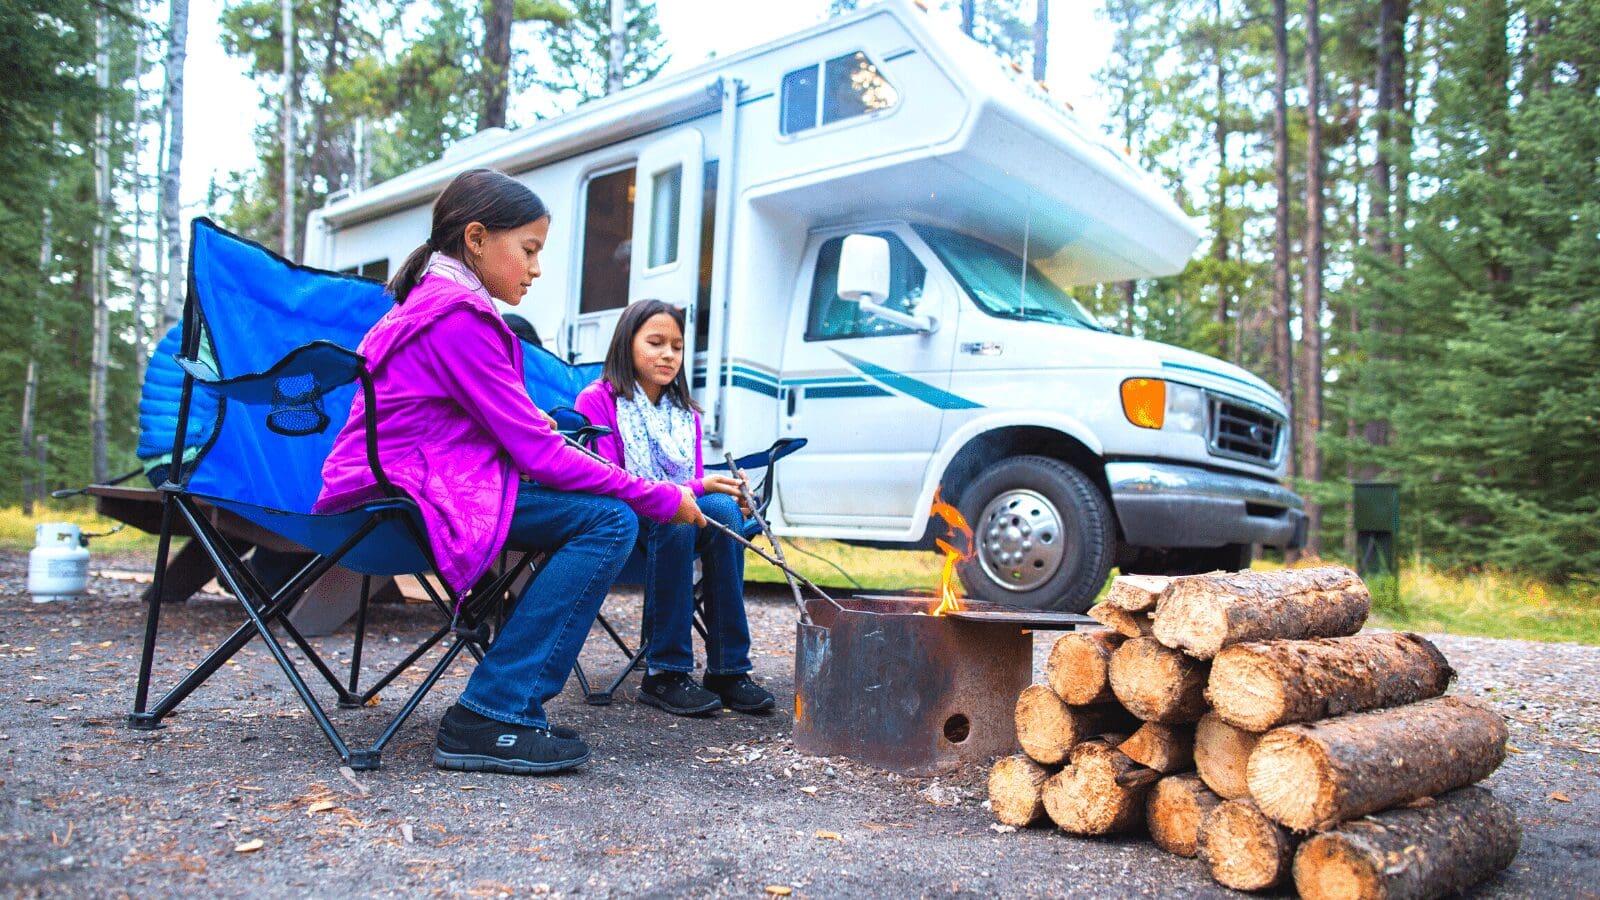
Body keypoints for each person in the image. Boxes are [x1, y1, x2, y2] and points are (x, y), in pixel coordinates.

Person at [314, 168, 707, 776]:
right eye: (528, 249)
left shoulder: (430, 301)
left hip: (397, 478)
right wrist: (656, 495)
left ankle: (500, 701)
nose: (536, 268)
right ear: (476, 238)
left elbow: (505, 426)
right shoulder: (458, 316)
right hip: (413, 492)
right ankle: (495, 711)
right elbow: (537, 455)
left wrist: (540, 433)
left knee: (596, 506)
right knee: (608, 521)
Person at [574, 300, 777, 717]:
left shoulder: (686, 414)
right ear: (626, 344)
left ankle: (727, 669)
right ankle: (665, 673)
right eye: (655, 342)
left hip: (671, 526)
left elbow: (699, 490)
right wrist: (692, 488)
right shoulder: (598, 401)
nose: (668, 354)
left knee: (720, 508)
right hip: (624, 520)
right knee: (678, 512)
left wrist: (728, 494)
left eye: (677, 347)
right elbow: (608, 480)